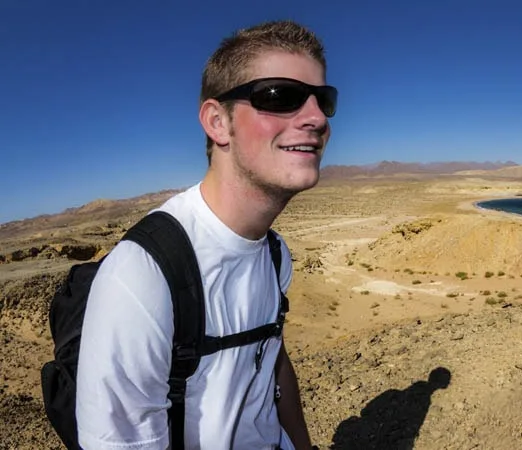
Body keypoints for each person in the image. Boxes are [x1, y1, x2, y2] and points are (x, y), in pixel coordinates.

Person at [75, 20, 337, 450]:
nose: (315, 118)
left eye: (323, 100)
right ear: (217, 122)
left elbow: (272, 362)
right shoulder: (143, 274)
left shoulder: (274, 253)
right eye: (280, 96)